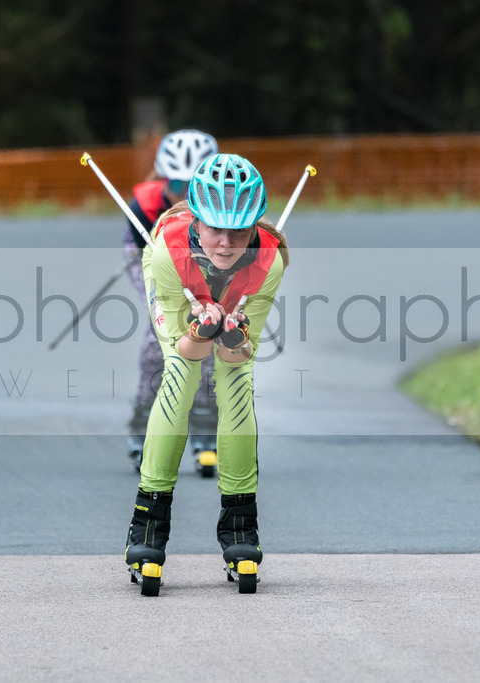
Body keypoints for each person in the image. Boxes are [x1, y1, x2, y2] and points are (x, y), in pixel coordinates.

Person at [123, 153, 289, 594]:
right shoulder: (166, 250)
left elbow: (239, 358)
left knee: (236, 386)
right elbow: (187, 350)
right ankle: (147, 527)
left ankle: (240, 527)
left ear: (255, 225)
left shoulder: (269, 261)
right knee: (180, 377)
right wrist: (202, 329)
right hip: (178, 287)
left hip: (236, 304)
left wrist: (233, 339)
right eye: (215, 228)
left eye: (239, 230)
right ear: (197, 221)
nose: (225, 243)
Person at [124, 129, 220, 476]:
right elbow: (143, 257)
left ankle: (207, 432)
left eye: (194, 184)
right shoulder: (144, 205)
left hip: (200, 261)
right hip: (148, 257)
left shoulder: (216, 207)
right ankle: (144, 427)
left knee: (206, 334)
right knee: (159, 337)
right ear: (166, 177)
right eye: (178, 183)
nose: (185, 192)